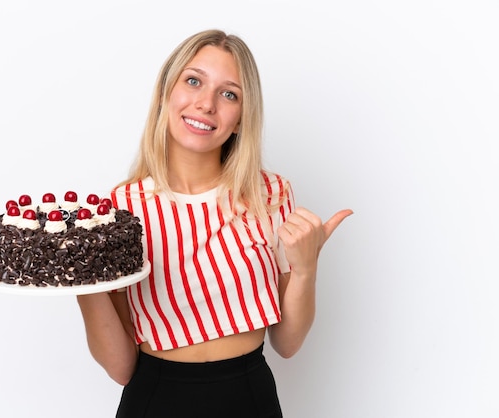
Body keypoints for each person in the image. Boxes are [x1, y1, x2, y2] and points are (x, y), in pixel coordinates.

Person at [76, 29, 353, 418]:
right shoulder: (121, 211)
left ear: (241, 118)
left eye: (229, 94)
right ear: (165, 94)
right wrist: (80, 279)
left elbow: (288, 344)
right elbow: (121, 367)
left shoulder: (270, 195)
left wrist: (306, 270)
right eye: (193, 81)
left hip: (250, 396)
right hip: (155, 400)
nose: (206, 104)